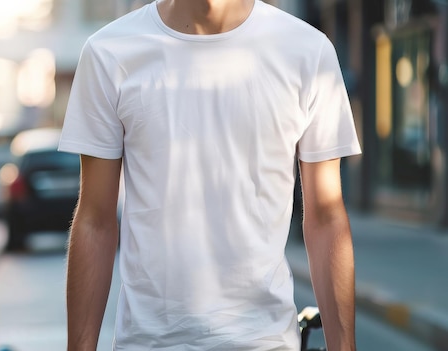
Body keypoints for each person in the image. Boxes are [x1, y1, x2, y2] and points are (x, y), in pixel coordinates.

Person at [58, 0, 361, 350]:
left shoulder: (309, 53)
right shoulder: (108, 53)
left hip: (265, 342)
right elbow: (95, 219)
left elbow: (326, 217)